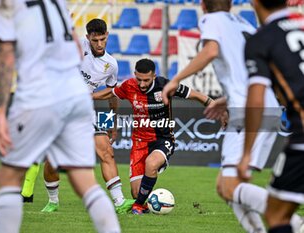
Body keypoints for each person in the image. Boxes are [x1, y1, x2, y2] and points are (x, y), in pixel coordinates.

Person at [162, 0, 303, 232]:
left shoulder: (211, 19)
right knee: (226, 186)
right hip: (267, 106)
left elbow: (211, 50)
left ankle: (295, 223)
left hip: (248, 109)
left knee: (229, 186)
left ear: (202, 5)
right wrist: (226, 99)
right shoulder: (245, 24)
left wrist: (176, 80)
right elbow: (255, 72)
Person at [0, 0, 120, 232]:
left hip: (43, 93)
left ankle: (118, 199)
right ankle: (62, 203)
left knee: (9, 176)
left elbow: (6, 57)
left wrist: (1, 112)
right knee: (84, 180)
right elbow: (73, 46)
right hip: (77, 97)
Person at [93, 58, 218, 214]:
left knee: (151, 164)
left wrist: (210, 102)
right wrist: (89, 96)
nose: (142, 84)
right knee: (137, 193)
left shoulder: (165, 85)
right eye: (139, 79)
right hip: (139, 142)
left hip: (162, 139)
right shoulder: (129, 86)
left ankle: (137, 207)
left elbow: (194, 94)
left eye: (146, 80)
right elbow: (109, 93)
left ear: (154, 76)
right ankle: (146, 202)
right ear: (134, 75)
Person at [39, 18, 134, 213]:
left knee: (105, 150)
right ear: (87, 38)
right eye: (95, 40)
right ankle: (53, 201)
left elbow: (111, 94)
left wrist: (113, 123)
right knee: (52, 162)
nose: (99, 44)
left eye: (102, 39)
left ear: (107, 36)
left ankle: (119, 201)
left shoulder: (111, 65)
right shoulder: (73, 47)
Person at [237, 0, 304, 233]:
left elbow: (256, 100)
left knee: (276, 214)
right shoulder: (301, 24)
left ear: (255, 3)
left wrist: (246, 154)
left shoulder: (261, 39)